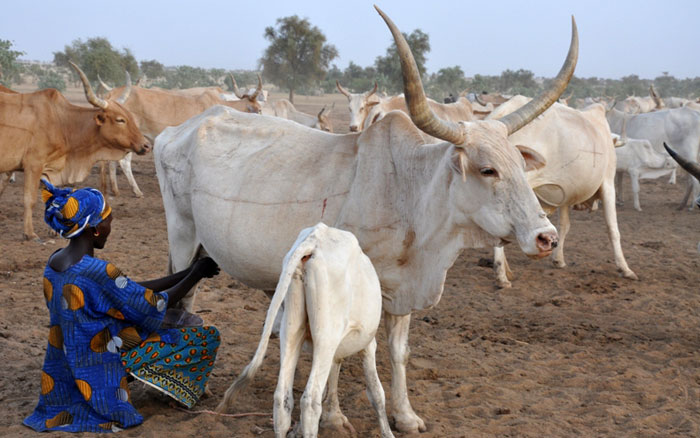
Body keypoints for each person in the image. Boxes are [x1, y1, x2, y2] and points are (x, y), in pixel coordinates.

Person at [24, 180, 221, 433]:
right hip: (98, 356)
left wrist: (184, 272)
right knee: (204, 338)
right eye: (108, 221)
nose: (110, 228)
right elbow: (154, 304)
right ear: (94, 229)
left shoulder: (55, 262)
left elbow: (127, 288)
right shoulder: (98, 271)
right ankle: (170, 392)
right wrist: (195, 276)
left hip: (67, 356)